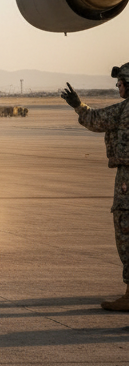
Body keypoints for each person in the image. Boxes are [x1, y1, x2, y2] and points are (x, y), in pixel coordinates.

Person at [60, 63, 129, 311]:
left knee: (126, 232)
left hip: (127, 179)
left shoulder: (125, 110)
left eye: (120, 83)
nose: (118, 87)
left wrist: (78, 104)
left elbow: (95, 120)